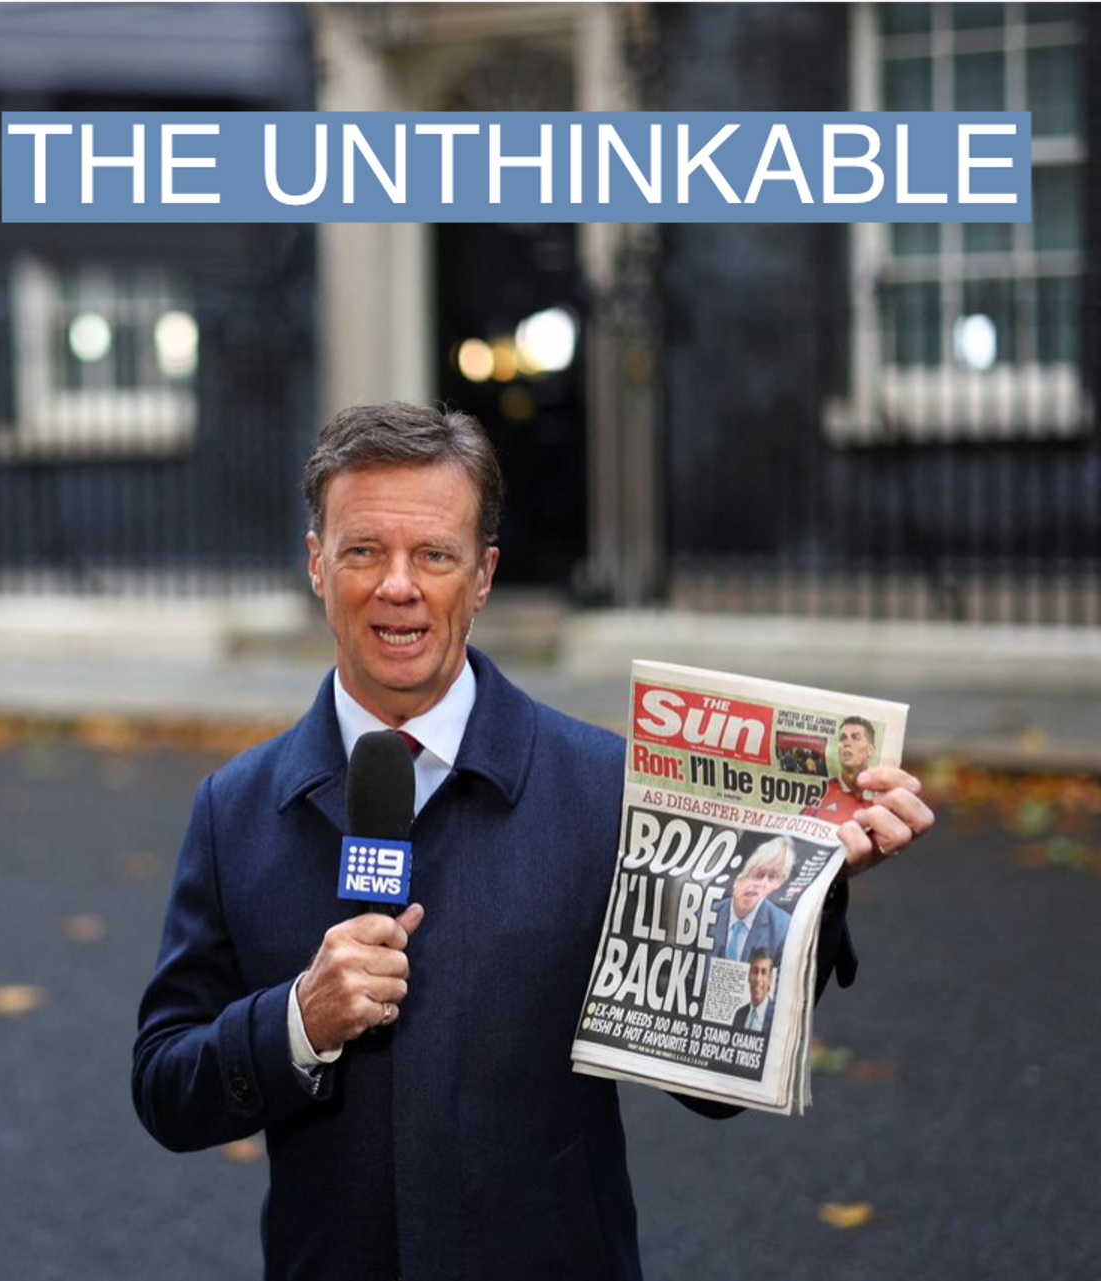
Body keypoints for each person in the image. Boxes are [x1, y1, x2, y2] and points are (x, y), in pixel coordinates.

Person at [131, 403, 935, 1279]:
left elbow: (709, 1089)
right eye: (364, 550)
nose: (398, 585)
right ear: (317, 563)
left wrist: (807, 884)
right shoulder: (236, 807)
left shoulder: (606, 788)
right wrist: (297, 1020)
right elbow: (169, 1088)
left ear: (482, 576)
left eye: (435, 554)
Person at [708, 835, 795, 967]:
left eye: (771, 878)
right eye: (758, 874)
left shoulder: (783, 928)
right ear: (738, 879)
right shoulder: (705, 914)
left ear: (778, 884)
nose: (761, 884)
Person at [809, 716, 877, 823]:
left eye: (855, 738)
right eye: (843, 738)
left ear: (870, 750)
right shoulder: (820, 795)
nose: (847, 743)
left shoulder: (880, 798)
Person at [732, 948, 777, 1033]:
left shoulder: (776, 1017)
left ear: (770, 979)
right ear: (749, 976)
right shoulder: (739, 1015)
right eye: (755, 971)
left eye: (763, 973)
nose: (758, 979)